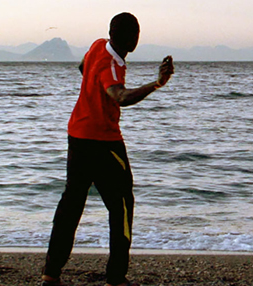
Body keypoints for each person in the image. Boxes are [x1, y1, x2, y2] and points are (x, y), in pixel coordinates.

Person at [41, 12, 174, 286]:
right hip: (104, 143)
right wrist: (157, 84)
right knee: (122, 205)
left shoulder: (98, 45)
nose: (137, 38)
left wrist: (92, 89)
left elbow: (83, 67)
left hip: (77, 135)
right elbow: (120, 96)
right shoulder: (111, 66)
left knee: (71, 205)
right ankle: (116, 277)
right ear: (125, 38)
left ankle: (51, 273)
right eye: (134, 33)